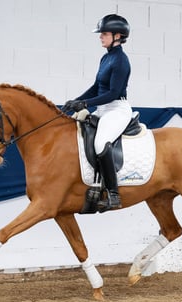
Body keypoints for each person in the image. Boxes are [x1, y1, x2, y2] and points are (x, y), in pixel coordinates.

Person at [63, 14, 132, 211]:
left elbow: (113, 93)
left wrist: (86, 103)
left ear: (117, 36)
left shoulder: (121, 61)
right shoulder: (106, 57)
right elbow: (96, 87)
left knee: (101, 143)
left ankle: (113, 194)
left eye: (104, 34)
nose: (100, 37)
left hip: (117, 109)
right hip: (103, 108)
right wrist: (76, 101)